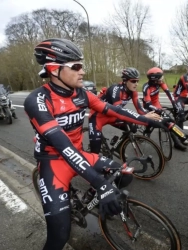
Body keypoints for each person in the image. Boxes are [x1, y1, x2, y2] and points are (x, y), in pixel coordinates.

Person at [24, 38, 167, 250]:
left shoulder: (82, 93)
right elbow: (64, 147)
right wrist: (101, 184)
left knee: (125, 174)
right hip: (54, 162)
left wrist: (156, 121)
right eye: (76, 66)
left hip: (80, 154)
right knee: (59, 238)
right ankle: (94, 196)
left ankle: (95, 203)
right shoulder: (37, 100)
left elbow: (114, 110)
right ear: (54, 70)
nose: (82, 71)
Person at [88, 67, 160, 154]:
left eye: (137, 81)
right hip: (98, 116)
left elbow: (140, 110)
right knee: (95, 152)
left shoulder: (133, 92)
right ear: (125, 81)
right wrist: (143, 118)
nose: (136, 84)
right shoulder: (116, 90)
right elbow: (119, 111)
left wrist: (150, 115)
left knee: (133, 128)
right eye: (133, 81)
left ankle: (119, 146)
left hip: (112, 116)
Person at [142, 67, 186, 150]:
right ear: (154, 79)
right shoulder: (146, 87)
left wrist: (175, 106)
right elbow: (148, 104)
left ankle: (176, 142)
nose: (162, 79)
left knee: (168, 122)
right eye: (160, 77)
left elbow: (169, 94)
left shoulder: (160, 83)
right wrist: (157, 110)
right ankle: (147, 130)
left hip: (157, 105)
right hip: (149, 106)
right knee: (150, 122)